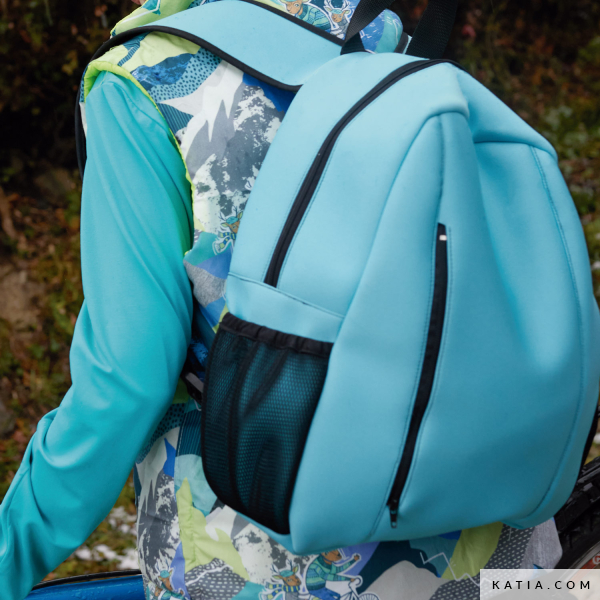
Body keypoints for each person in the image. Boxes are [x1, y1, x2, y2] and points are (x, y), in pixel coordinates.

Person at [0, 0, 563, 599]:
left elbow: (124, 381)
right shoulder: (382, 37)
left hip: (271, 565)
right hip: (502, 547)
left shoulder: (143, 82)